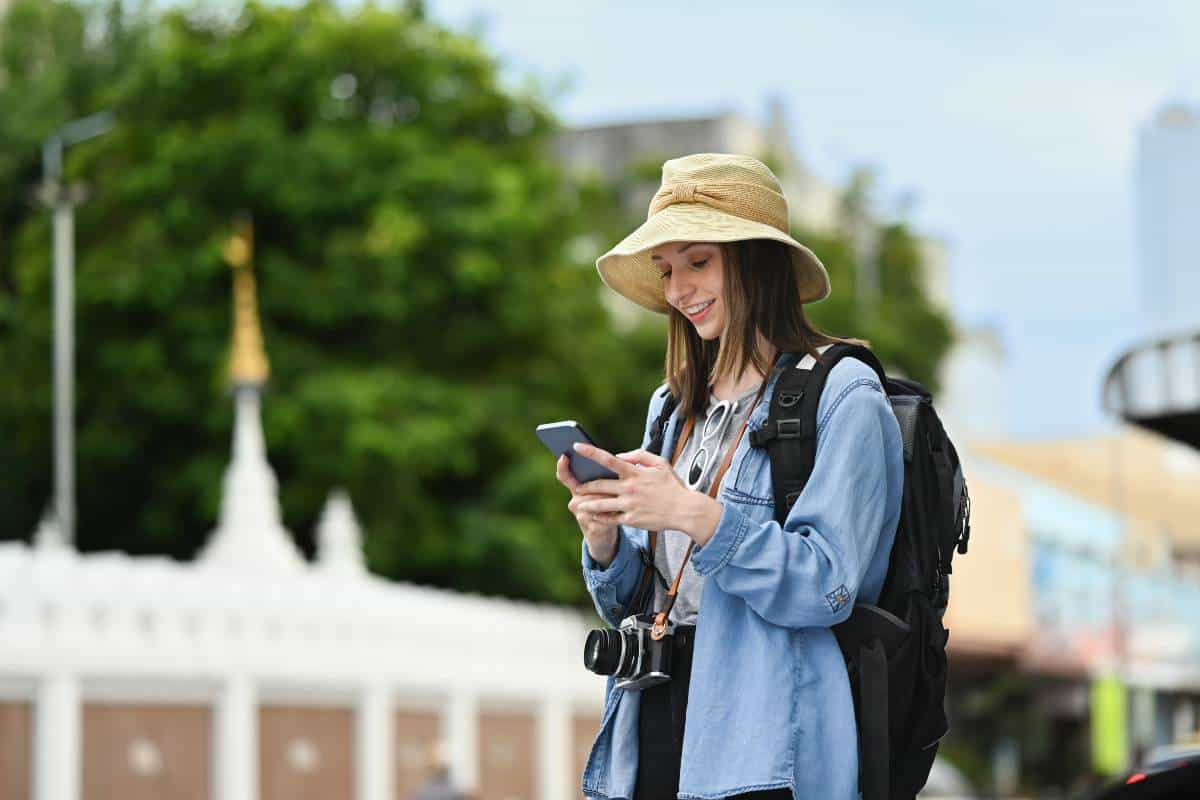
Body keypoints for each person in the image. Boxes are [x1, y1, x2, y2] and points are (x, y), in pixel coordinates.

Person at [553, 153, 904, 800]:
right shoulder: (674, 406)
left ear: (755, 260)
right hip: (653, 722)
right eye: (666, 269)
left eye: (699, 261)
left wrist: (693, 513)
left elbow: (827, 588)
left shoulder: (842, 394)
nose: (679, 288)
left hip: (768, 742)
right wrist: (603, 536)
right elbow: (641, 599)